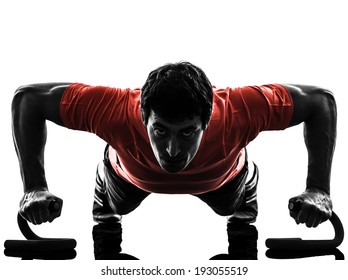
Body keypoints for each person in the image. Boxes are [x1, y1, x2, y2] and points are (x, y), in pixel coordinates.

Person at [12, 61, 336, 259]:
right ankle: (106, 207)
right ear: (143, 116)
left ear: (207, 121)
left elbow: (320, 102)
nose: (171, 150)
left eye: (186, 133)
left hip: (223, 177)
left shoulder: (240, 109)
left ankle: (243, 200)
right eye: (161, 131)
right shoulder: (113, 108)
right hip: (128, 175)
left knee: (232, 207)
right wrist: (34, 188)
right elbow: (29, 100)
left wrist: (319, 189)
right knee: (115, 206)